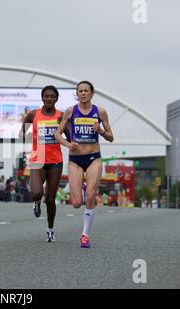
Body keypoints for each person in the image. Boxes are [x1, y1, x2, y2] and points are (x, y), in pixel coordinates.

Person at [55, 81, 114, 248]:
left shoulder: (100, 112)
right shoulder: (70, 111)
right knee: (76, 203)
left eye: (86, 91)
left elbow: (111, 137)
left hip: (94, 157)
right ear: (77, 93)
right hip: (75, 159)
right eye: (80, 91)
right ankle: (80, 186)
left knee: (90, 196)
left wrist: (101, 131)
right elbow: (57, 134)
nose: (83, 93)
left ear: (91, 93)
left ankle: (85, 234)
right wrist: (68, 144)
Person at [20, 85, 64, 242]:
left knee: (50, 199)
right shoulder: (33, 114)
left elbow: (70, 138)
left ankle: (50, 229)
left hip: (55, 161)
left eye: (52, 96)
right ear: (42, 98)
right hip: (37, 160)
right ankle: (36, 202)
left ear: (56, 99)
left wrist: (62, 127)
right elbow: (21, 134)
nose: (49, 99)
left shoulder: (61, 116)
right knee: (37, 193)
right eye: (46, 96)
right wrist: (28, 136)